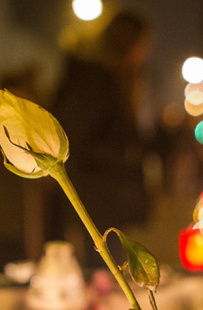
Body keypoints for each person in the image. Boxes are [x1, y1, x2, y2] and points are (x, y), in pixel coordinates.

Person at [49, 10, 152, 267]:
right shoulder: (95, 81)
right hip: (94, 200)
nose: (144, 53)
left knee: (109, 272)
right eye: (142, 44)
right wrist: (125, 158)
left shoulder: (111, 79)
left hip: (107, 197)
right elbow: (76, 141)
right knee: (101, 274)